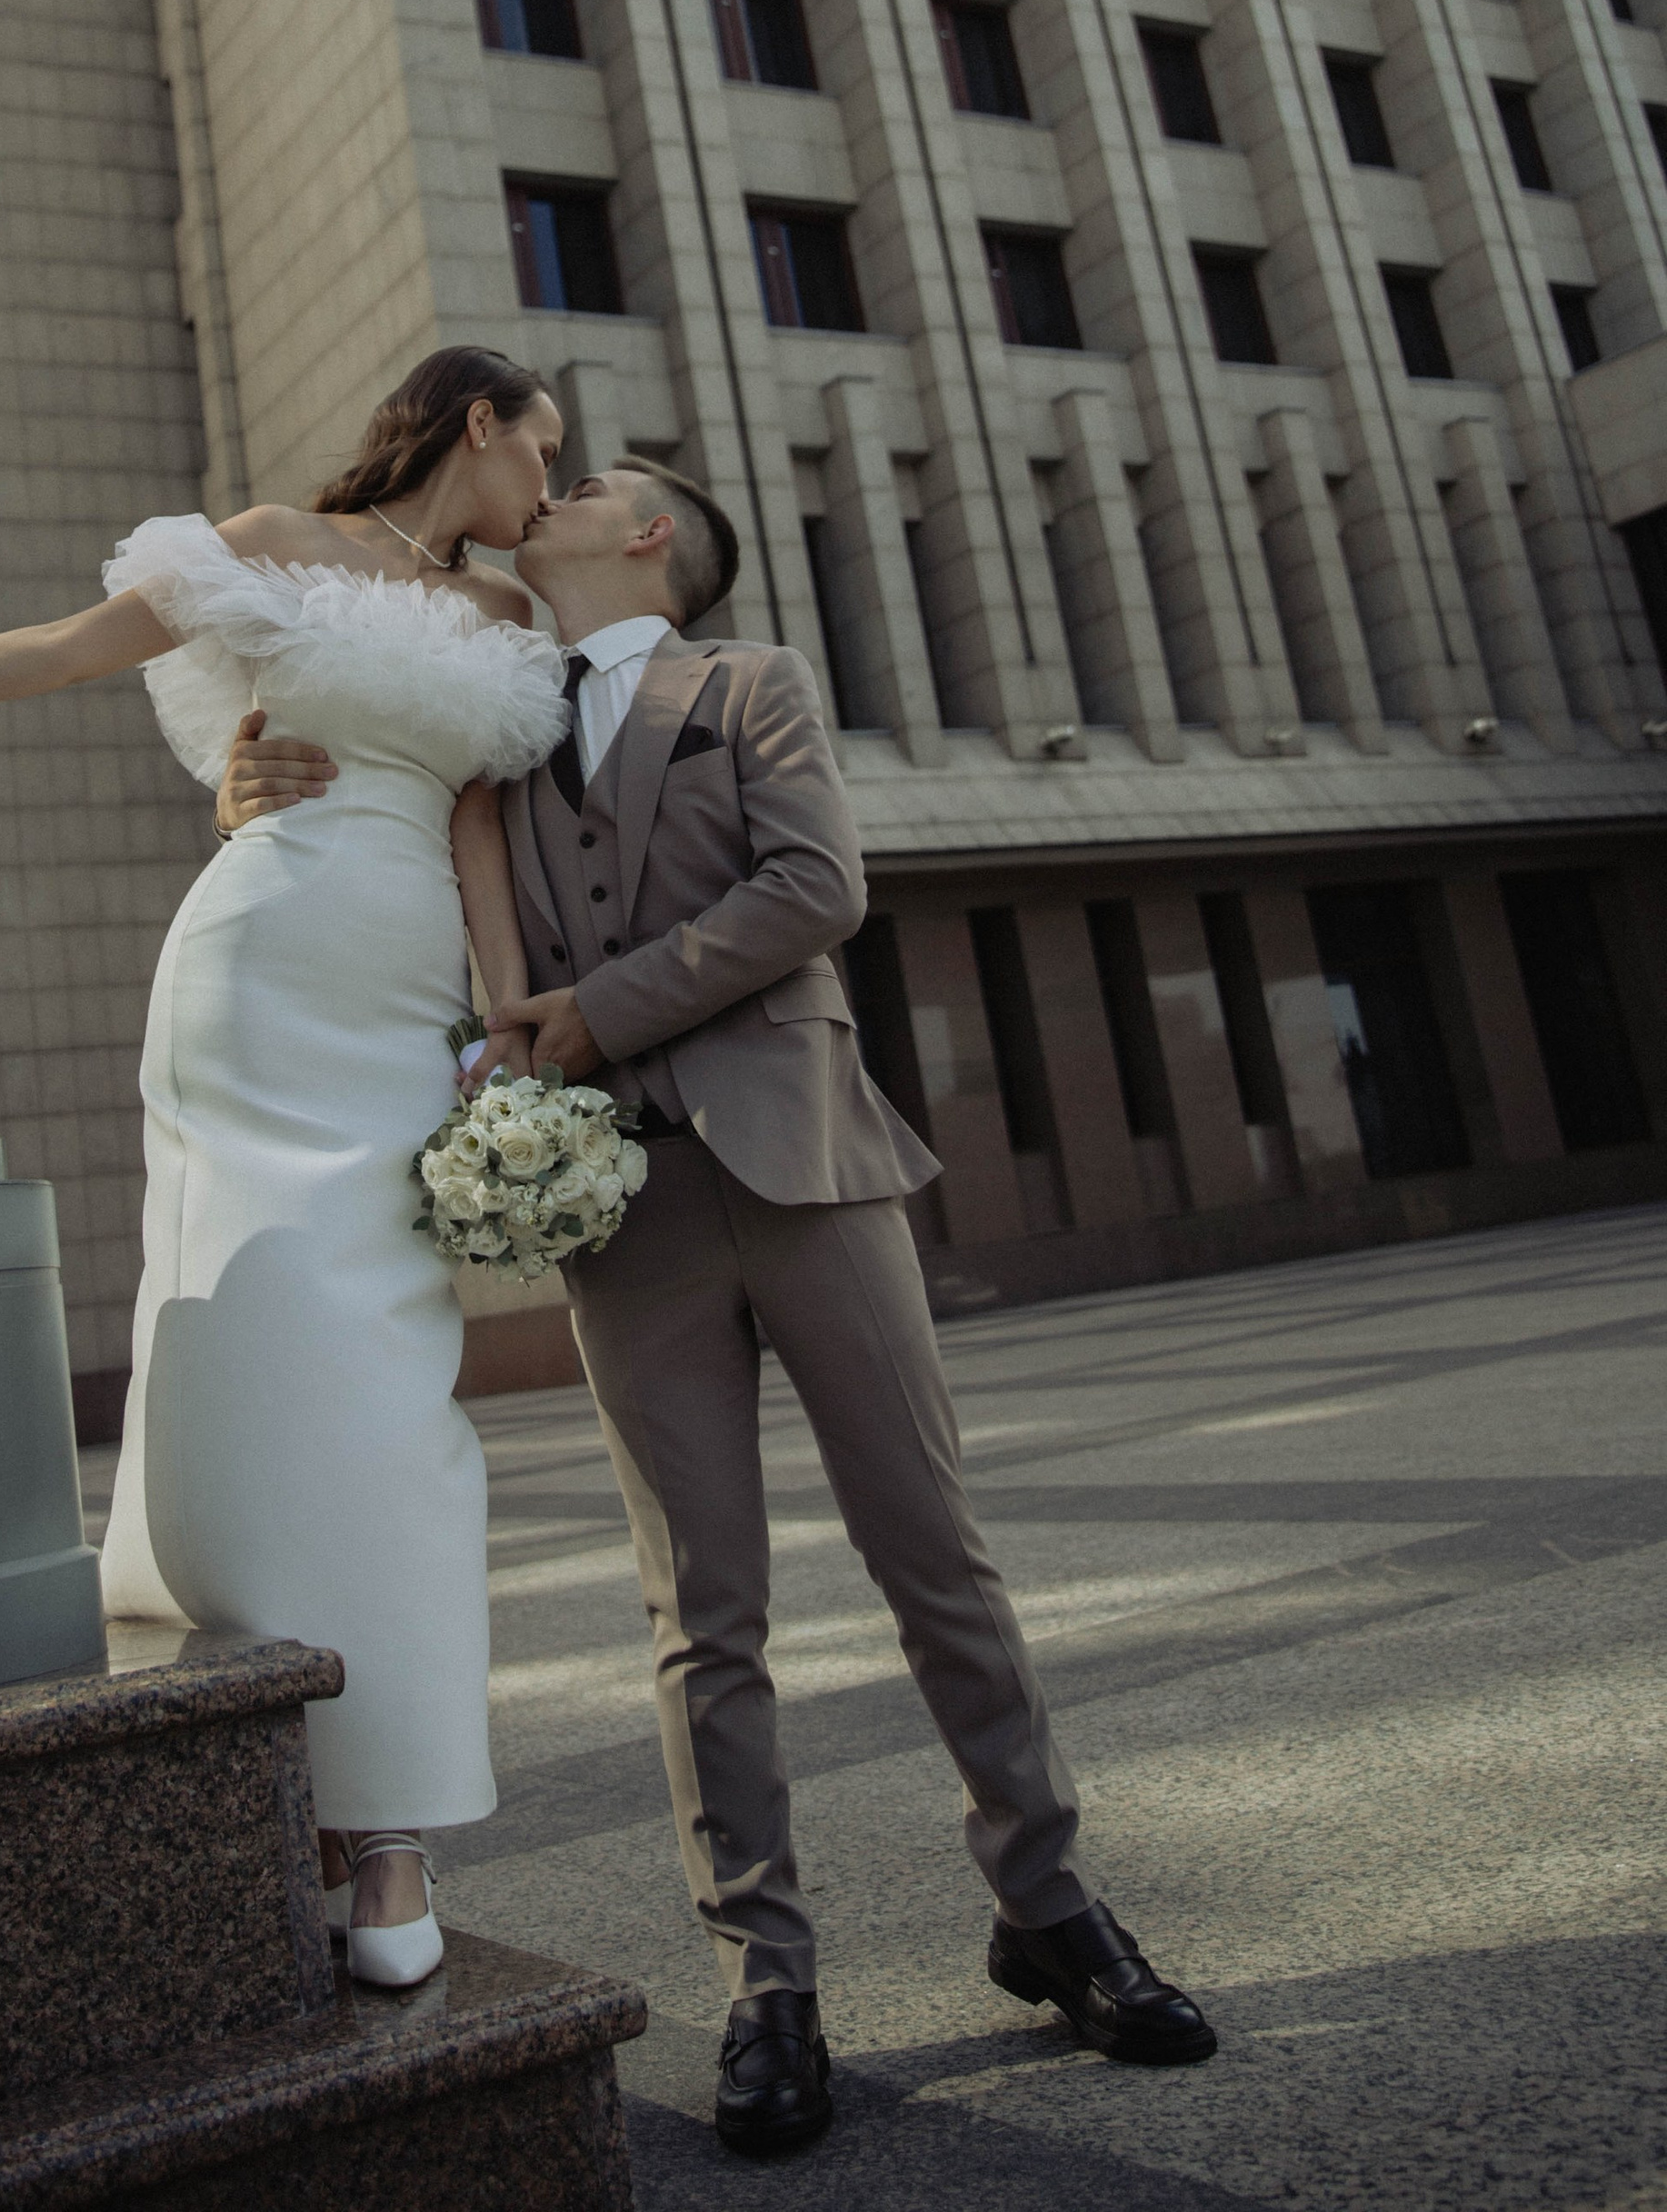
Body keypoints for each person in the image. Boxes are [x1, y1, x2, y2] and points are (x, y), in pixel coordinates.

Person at [217, 455, 1214, 2148]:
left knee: (935, 1557)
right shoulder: (507, 725)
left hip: (809, 1166)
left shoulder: (748, 684)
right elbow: (398, 846)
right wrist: (251, 788)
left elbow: (816, 891)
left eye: (590, 479)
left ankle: (1052, 1912)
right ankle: (768, 1976)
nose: (554, 487)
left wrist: (595, 1014)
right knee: (703, 1612)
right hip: (629, 1211)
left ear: (649, 535)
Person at [0, 349, 570, 1987]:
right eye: (542, 450)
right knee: (235, 1336)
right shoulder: (276, 536)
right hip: (257, 968)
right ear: (478, 424)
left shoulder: (514, 621)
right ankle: (260, 1758)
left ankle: (387, 1825)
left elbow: (480, 832)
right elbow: (64, 651)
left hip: (403, 996)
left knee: (384, 1380)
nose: (548, 491)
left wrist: (502, 1024)